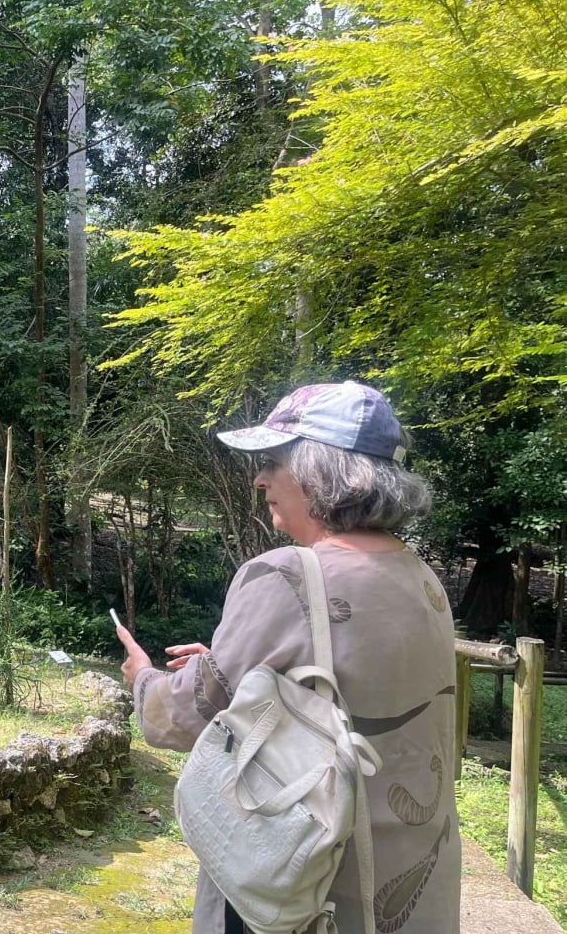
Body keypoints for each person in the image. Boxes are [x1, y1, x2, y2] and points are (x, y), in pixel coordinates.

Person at [117, 382, 460, 934]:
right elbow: (360, 685)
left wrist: (143, 678)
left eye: (275, 462)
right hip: (416, 882)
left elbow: (183, 719)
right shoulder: (423, 578)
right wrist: (246, 673)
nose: (260, 479)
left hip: (311, 884)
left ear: (323, 470)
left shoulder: (286, 575)